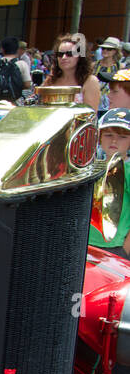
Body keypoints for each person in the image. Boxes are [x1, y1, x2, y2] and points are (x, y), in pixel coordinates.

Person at [91, 108, 130, 251]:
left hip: (115, 246)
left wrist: (126, 249)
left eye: (122, 137)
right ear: (99, 137)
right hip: (88, 242)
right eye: (108, 135)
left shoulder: (128, 170)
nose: (114, 140)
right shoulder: (92, 168)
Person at [42, 33, 100, 109]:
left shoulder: (90, 81)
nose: (64, 57)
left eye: (70, 53)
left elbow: (90, 116)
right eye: (60, 54)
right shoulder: (51, 80)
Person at [0, 36, 31, 103]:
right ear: (17, 49)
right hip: (15, 103)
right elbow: (27, 84)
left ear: (2, 49)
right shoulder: (22, 64)